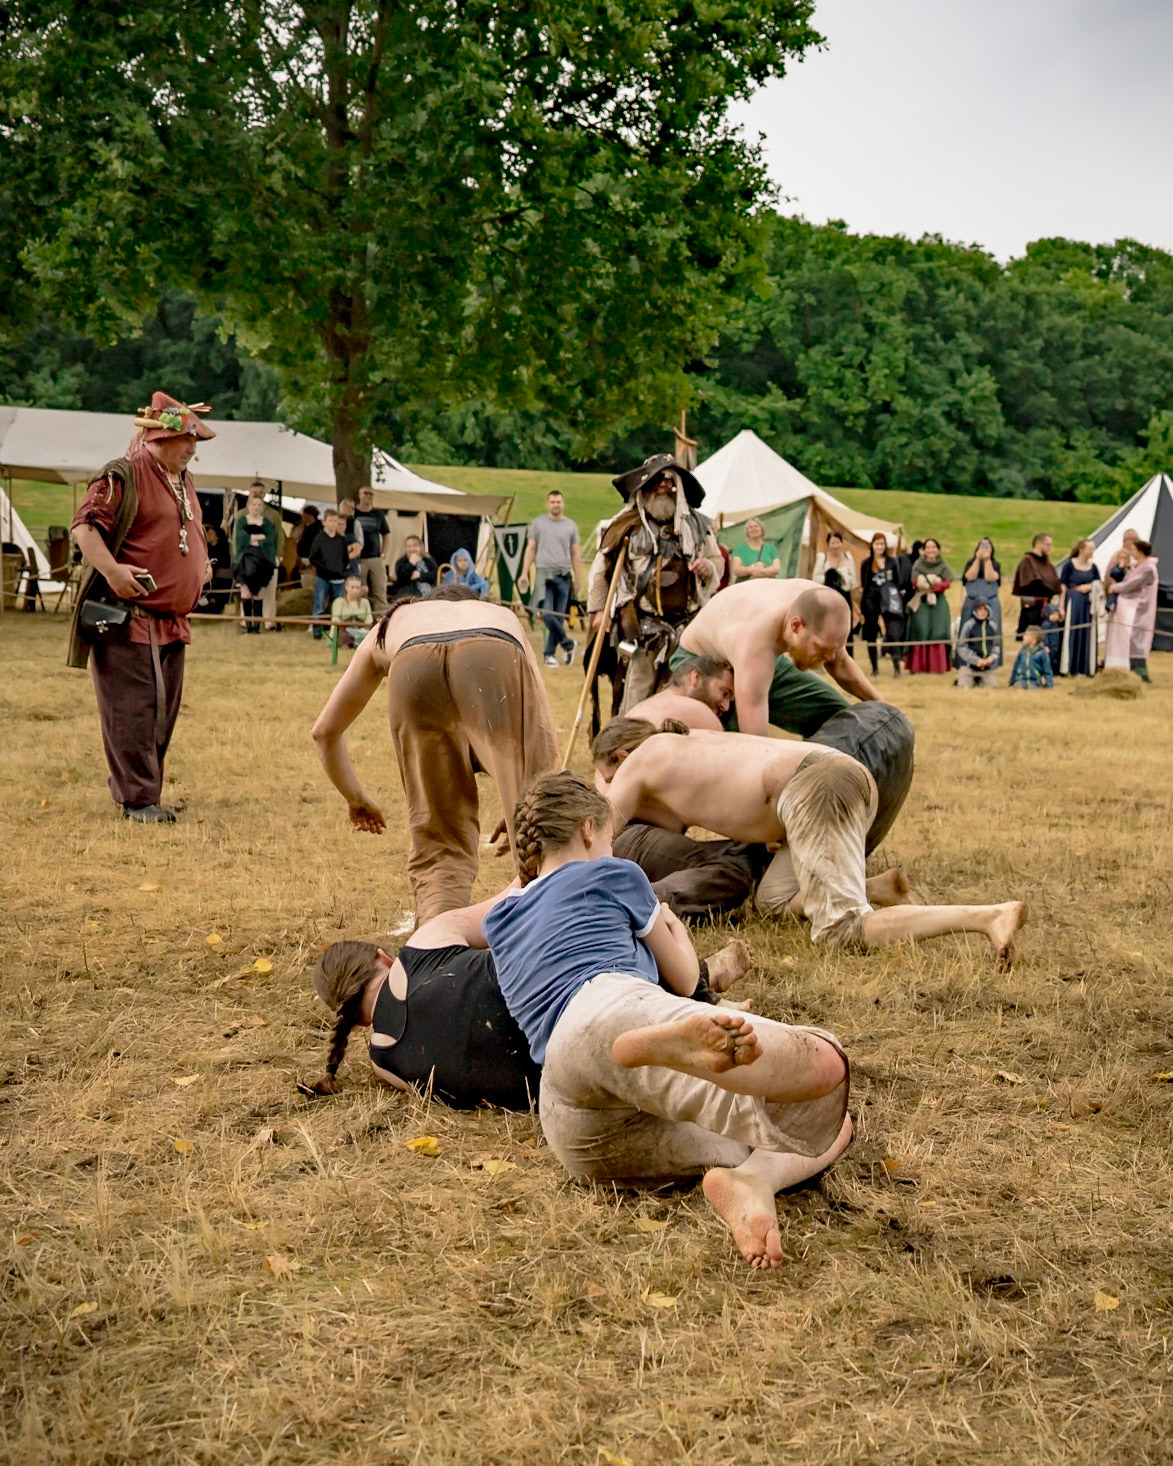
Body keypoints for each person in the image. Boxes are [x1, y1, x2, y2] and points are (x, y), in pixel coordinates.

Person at [484, 771, 854, 1269]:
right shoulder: (615, 874)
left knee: (824, 1127)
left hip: (569, 1115)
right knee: (826, 1063)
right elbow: (681, 977)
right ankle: (648, 1049)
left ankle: (751, 1180)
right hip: (607, 1006)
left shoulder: (500, 918)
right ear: (589, 830)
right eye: (611, 838)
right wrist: (669, 920)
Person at [597, 722, 1026, 962]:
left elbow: (597, 834)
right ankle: (879, 886)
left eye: (610, 777)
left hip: (815, 788)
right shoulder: (688, 742)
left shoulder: (641, 761)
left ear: (620, 759)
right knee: (774, 899)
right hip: (827, 777)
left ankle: (988, 916)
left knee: (842, 930)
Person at [305, 889, 755, 1106]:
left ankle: (691, 994)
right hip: (582, 998)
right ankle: (694, 982)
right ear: (382, 956)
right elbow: (520, 900)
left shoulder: (383, 1063)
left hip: (558, 1086)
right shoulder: (421, 946)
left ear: (356, 1021)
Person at [311, 585, 559, 922]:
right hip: (495, 647)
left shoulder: (395, 620)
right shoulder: (501, 615)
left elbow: (324, 731)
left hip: (413, 661)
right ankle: (551, 941)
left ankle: (436, 956)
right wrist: (529, 801)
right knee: (545, 836)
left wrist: (356, 797)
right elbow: (543, 738)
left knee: (440, 850)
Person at [67, 393, 212, 824]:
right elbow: (85, 527)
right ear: (157, 437)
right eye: (184, 438)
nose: (191, 447)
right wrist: (112, 572)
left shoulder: (180, 478)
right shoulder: (123, 475)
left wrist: (199, 567)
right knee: (132, 711)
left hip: (172, 622)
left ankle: (147, 793)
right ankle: (137, 800)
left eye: (193, 439)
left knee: (161, 714)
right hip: (129, 621)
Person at [586, 456, 722, 707]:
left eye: (669, 483)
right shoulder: (625, 527)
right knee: (637, 696)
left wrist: (708, 567)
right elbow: (600, 570)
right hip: (642, 628)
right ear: (644, 488)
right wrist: (598, 612)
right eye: (656, 482)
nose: (663, 488)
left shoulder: (697, 526)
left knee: (684, 696)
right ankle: (629, 744)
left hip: (688, 627)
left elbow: (717, 563)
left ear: (678, 489)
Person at [675, 579, 880, 739]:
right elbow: (754, 741)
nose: (829, 657)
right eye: (822, 648)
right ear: (796, 626)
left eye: (835, 648)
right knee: (729, 745)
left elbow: (841, 664)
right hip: (702, 661)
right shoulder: (755, 643)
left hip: (754, 657)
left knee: (839, 720)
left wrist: (884, 708)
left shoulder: (819, 605)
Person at [517, 490, 583, 667]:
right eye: (553, 502)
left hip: (563, 575)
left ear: (563, 503)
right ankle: (568, 645)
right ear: (547, 504)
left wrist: (578, 579)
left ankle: (549, 655)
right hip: (544, 575)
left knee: (558, 617)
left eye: (559, 502)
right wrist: (524, 573)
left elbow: (575, 553)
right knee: (547, 613)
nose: (556, 505)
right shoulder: (539, 524)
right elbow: (531, 548)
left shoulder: (570, 526)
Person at [624, 654, 735, 732]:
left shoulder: (639, 708)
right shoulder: (699, 712)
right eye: (724, 693)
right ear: (695, 678)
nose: (726, 707)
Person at [1104, 539, 1158, 680]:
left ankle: (1141, 673)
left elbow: (1131, 584)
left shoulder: (1148, 569)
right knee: (1131, 639)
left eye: (1133, 550)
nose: (1131, 552)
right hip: (1130, 607)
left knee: (1137, 640)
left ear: (1140, 551)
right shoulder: (1136, 566)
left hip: (1140, 608)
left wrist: (1115, 587)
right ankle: (1132, 670)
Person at [859, 533, 910, 678]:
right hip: (871, 602)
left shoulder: (892, 562)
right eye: (877, 544)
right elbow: (864, 583)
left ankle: (896, 668)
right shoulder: (866, 563)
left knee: (893, 633)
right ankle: (874, 667)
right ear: (872, 545)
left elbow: (897, 581)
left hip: (889, 601)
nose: (879, 547)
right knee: (871, 635)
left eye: (882, 544)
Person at [233, 484, 279, 634]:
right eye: (253, 504)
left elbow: (270, 541)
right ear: (248, 505)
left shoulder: (267, 523)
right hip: (245, 561)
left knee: (258, 594)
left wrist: (258, 540)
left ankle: (256, 627)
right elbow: (240, 539)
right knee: (246, 593)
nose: (256, 507)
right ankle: (247, 626)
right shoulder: (241, 520)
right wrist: (254, 537)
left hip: (262, 562)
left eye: (259, 505)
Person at [905, 539, 954, 674]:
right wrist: (930, 582)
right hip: (922, 600)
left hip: (939, 602)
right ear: (924, 549)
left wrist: (936, 586)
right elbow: (914, 580)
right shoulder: (918, 564)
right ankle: (918, 666)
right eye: (928, 547)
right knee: (920, 630)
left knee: (938, 631)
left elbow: (948, 581)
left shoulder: (943, 565)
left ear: (938, 549)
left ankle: (937, 666)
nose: (931, 550)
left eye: (934, 547)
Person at [1058, 538, 1103, 677]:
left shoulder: (1093, 567)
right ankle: (1070, 667)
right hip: (1074, 603)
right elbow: (1063, 586)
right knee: (1072, 633)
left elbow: (1099, 584)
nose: (1092, 552)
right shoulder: (1069, 566)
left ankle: (1086, 667)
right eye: (1090, 549)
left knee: (1087, 633)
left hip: (1088, 604)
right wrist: (1061, 606)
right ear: (1082, 549)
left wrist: (1089, 587)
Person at [309, 508, 353, 638]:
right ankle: (317, 630)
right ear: (324, 522)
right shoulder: (319, 539)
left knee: (338, 605)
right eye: (331, 520)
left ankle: (336, 631)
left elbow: (345, 558)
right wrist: (324, 569)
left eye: (335, 521)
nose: (333, 523)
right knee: (319, 603)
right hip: (323, 577)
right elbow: (313, 558)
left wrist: (341, 570)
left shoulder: (341, 540)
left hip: (338, 578)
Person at [351, 486, 392, 615]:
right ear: (359, 495)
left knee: (380, 590)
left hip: (375, 558)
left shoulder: (378, 514)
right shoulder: (353, 514)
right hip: (359, 558)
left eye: (371, 494)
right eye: (365, 493)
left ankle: (382, 621)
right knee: (360, 590)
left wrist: (383, 553)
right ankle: (361, 619)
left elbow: (386, 534)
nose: (368, 496)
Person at [1012, 533, 1061, 638]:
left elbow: (1056, 586)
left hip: (1046, 609)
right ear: (1039, 544)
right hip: (1032, 611)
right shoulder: (1028, 561)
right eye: (1048, 544)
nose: (1050, 548)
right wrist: (1048, 591)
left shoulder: (1048, 565)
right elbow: (1029, 585)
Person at [958, 538, 1002, 635]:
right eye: (982, 546)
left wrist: (987, 560)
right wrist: (978, 559)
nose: (985, 549)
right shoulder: (970, 563)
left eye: (988, 546)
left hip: (990, 600)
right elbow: (969, 577)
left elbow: (991, 578)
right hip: (972, 600)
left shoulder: (995, 564)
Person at [955, 601, 1001, 688]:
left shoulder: (993, 626)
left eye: (985, 609)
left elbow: (996, 645)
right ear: (975, 611)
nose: (982, 612)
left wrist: (992, 658)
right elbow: (962, 646)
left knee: (992, 686)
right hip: (969, 666)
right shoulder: (968, 625)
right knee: (964, 686)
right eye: (980, 609)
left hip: (986, 667)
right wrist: (975, 660)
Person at [330, 574, 374, 648]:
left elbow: (369, 619)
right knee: (342, 635)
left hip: (361, 630)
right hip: (343, 629)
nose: (355, 590)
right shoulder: (339, 601)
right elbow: (335, 619)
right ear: (346, 588)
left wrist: (363, 629)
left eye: (357, 588)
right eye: (352, 587)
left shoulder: (365, 602)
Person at [392, 535, 438, 599]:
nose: (412, 549)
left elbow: (434, 575)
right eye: (409, 546)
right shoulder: (401, 562)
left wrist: (420, 575)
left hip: (428, 591)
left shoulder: (428, 560)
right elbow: (401, 579)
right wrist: (410, 564)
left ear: (420, 547)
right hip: (407, 592)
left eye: (414, 546)